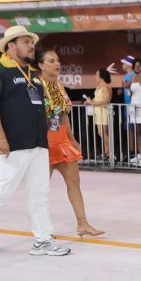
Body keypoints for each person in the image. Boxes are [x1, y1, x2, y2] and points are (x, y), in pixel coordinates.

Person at [0, 26, 70, 257]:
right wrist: (1, 137)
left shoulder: (33, 73)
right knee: (2, 191)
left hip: (37, 144)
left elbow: (36, 106)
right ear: (11, 46)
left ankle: (43, 239)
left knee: (39, 193)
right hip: (10, 145)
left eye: (31, 42)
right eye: (26, 42)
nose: (31, 46)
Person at [35, 50, 104, 238]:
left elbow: (63, 114)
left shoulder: (58, 86)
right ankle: (42, 229)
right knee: (40, 189)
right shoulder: (35, 86)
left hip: (62, 141)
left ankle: (83, 224)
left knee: (74, 183)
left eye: (57, 60)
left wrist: (72, 139)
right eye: (51, 61)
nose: (57, 63)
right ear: (41, 65)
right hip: (43, 143)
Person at [85, 69, 113, 159]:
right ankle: (106, 152)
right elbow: (97, 99)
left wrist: (92, 103)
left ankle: (111, 152)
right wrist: (89, 101)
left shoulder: (106, 87)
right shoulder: (99, 87)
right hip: (98, 112)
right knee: (101, 133)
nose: (95, 77)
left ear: (102, 77)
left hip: (103, 111)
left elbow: (105, 101)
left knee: (103, 133)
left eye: (97, 75)